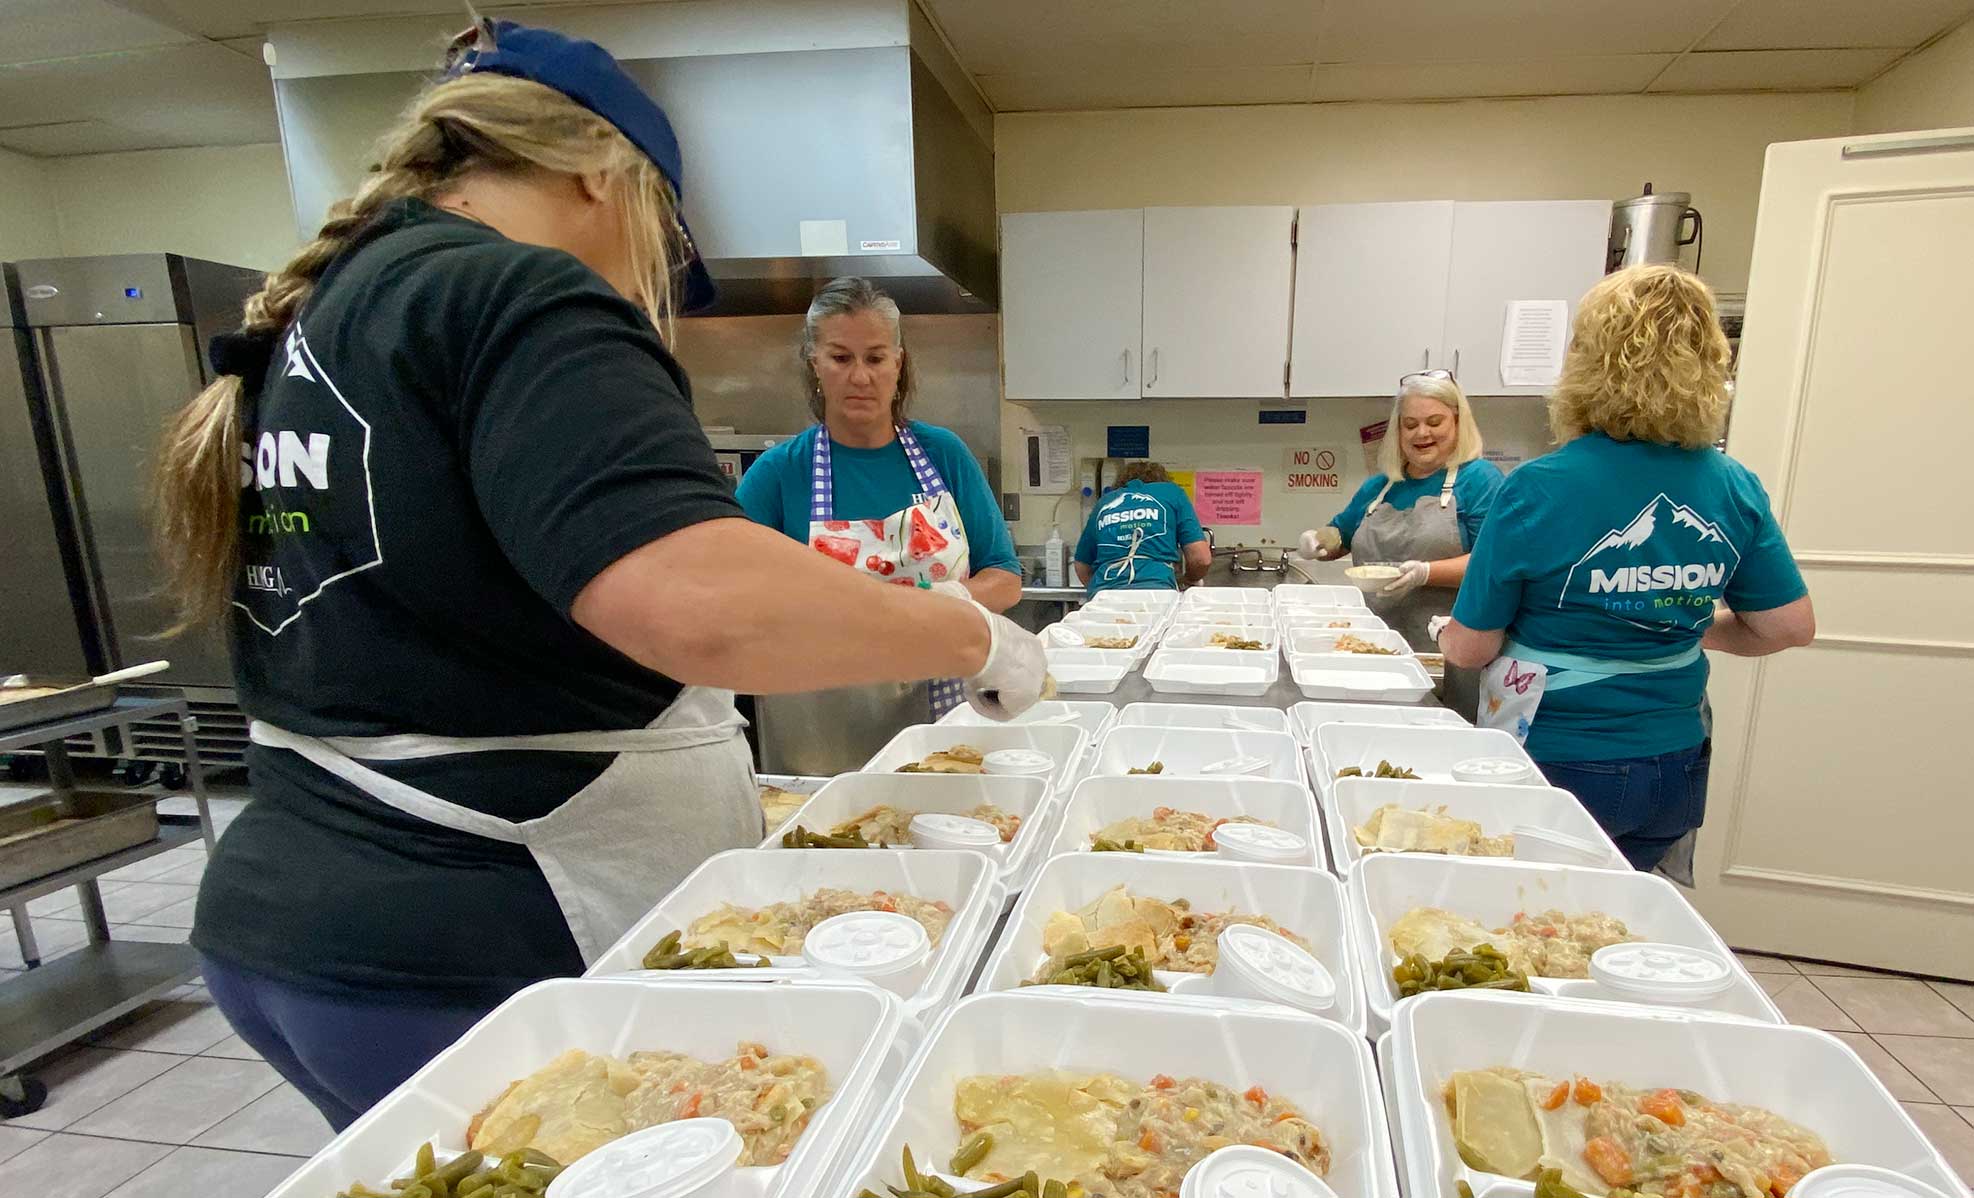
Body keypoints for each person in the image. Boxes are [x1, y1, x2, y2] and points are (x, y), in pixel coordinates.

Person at [149, 21, 1044, 1130]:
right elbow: (700, 601)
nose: (649, 281)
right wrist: (973, 635)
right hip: (478, 940)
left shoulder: (328, 314)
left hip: (296, 931)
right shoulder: (518, 296)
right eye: (661, 245)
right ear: (597, 171)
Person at [1442, 265, 1814, 873]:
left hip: (1564, 766)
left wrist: (1446, 634)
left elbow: (1469, 649)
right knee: (1619, 921)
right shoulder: (1732, 483)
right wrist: (1677, 620)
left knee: (1539, 931)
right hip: (1677, 766)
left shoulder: (1541, 487)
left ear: (1587, 363)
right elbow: (1787, 627)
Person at [737, 276, 1024, 714]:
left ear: (898, 362)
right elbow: (732, 595)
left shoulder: (942, 454)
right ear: (814, 362)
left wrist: (951, 601)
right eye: (840, 357)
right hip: (820, 719)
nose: (860, 376)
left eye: (875, 357)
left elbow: (1005, 577)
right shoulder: (779, 473)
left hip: (943, 711)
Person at [1291, 372, 1504, 648]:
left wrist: (1426, 573)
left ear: (1458, 422)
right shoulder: (1381, 486)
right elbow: (1341, 536)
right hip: (1373, 642)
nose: (1422, 433)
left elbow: (1494, 564)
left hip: (1448, 646)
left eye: (1434, 422)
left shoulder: (1480, 480)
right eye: (1410, 424)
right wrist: (1317, 540)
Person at [1073, 461, 1210, 595]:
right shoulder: (1172, 493)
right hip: (1156, 592)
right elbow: (1200, 559)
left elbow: (1082, 565)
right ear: (1161, 480)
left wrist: (1102, 591)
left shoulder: (1104, 502)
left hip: (1104, 595)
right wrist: (1189, 580)